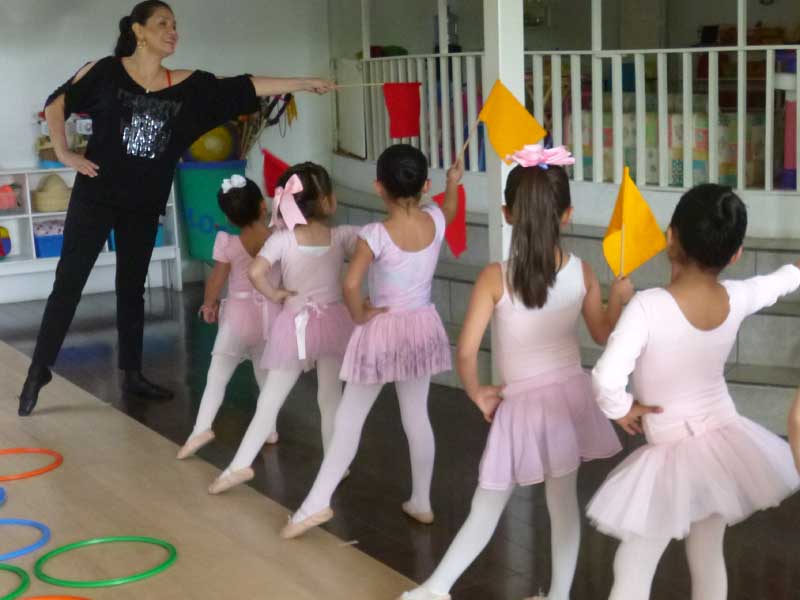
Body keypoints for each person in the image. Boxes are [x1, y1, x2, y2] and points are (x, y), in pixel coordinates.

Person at [18, 0, 333, 416]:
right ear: (138, 31)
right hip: (96, 196)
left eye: (175, 25)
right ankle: (39, 370)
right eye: (162, 23)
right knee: (68, 284)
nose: (172, 31)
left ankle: (132, 373)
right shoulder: (105, 71)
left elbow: (243, 86)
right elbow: (57, 101)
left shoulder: (189, 86)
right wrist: (64, 152)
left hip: (143, 203)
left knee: (132, 287)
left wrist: (304, 82)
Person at [399, 144, 630, 600]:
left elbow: (467, 353)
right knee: (562, 505)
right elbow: (603, 332)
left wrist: (477, 391)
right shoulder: (583, 273)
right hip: (568, 400)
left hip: (521, 404)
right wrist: (619, 300)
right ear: (567, 216)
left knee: (489, 500)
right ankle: (556, 595)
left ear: (506, 214)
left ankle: (437, 588)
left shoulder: (494, 277)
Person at [588, 184, 800, 600]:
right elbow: (778, 282)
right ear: (736, 254)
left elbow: (606, 378)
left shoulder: (647, 307)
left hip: (672, 450)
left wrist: (621, 407)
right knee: (707, 553)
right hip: (725, 442)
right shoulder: (737, 296)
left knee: (633, 564)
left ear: (671, 236)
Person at [281, 144, 457, 539]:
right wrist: (453, 184)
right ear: (425, 186)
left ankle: (316, 503)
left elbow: (350, 283)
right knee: (417, 416)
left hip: (383, 329)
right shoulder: (435, 219)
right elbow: (450, 210)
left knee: (349, 417)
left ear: (379, 187)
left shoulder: (375, 234)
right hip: (421, 326)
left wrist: (359, 313)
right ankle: (422, 501)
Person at [207, 163, 359, 494]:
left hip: (295, 323)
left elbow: (255, 273)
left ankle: (239, 465)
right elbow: (373, 249)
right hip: (333, 321)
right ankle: (337, 463)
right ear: (328, 201)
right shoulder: (342, 237)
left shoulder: (283, 240)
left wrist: (274, 294)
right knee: (330, 397)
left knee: (271, 399)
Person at [176, 175, 279, 461]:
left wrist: (209, 304)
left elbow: (217, 279)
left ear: (228, 217)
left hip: (238, 315)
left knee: (217, 375)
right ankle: (269, 429)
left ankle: (201, 429)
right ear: (263, 206)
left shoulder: (227, 241)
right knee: (265, 375)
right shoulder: (278, 237)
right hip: (271, 316)